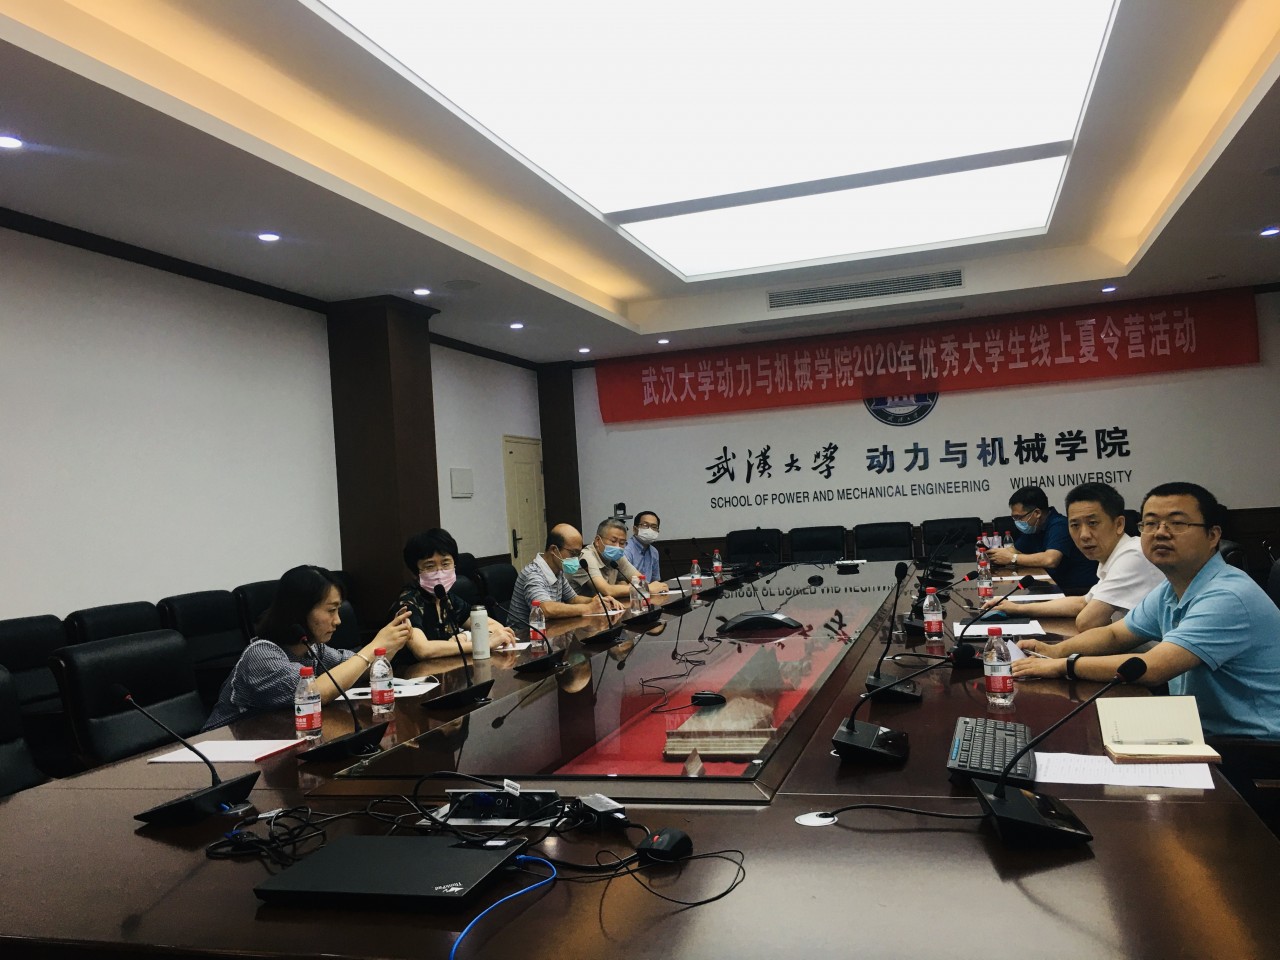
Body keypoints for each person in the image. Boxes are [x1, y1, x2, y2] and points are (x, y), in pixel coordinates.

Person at [1012, 482, 1280, 738]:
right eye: (1150, 523)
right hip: (1195, 724)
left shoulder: (1227, 595)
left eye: (1177, 523)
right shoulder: (1170, 589)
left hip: (1253, 743)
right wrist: (1053, 651)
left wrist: (1063, 665)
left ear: (1212, 536)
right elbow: (1115, 635)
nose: (1160, 532)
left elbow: (1152, 668)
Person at [204, 565, 411, 730]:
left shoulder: (312, 649)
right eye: (331, 610)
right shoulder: (261, 656)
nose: (338, 620)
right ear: (300, 611)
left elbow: (359, 670)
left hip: (275, 739)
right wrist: (374, 647)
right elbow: (315, 693)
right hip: (221, 751)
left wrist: (392, 643)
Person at [983, 482, 1163, 630]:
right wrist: (1016, 609)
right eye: (1075, 525)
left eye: (1093, 523)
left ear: (1119, 524)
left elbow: (1087, 621)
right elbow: (1082, 603)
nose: (1084, 535)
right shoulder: (1111, 557)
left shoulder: (1131, 555)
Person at [392, 528, 516, 658]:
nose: (439, 572)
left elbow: (495, 626)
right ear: (414, 573)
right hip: (415, 670)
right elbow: (423, 650)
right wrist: (483, 645)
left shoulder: (448, 599)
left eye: (445, 564)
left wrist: (465, 636)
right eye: (430, 566)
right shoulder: (408, 602)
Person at [986, 484, 1097, 593]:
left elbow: (1050, 560)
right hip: (1052, 584)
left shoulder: (1060, 525)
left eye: (1019, 517)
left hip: (1076, 589)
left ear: (1037, 513)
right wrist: (992, 554)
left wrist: (1012, 558)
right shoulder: (1033, 528)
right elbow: (1015, 550)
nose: (1017, 522)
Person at [510, 524, 624, 621]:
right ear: (554, 550)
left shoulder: (557, 571)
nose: (576, 559)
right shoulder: (533, 574)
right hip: (525, 636)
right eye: (573, 553)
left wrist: (598, 601)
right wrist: (589, 608)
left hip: (549, 630)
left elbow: (573, 599)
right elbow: (545, 609)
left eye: (578, 554)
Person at [573, 517, 669, 600]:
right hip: (579, 611)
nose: (617, 546)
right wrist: (646, 588)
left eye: (622, 543)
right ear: (598, 541)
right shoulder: (586, 557)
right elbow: (606, 590)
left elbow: (639, 579)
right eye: (613, 541)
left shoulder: (617, 555)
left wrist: (639, 586)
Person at [624, 510, 664, 585]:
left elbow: (655, 581)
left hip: (648, 590)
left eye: (654, 527)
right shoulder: (626, 550)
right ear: (635, 529)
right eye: (645, 525)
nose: (650, 529)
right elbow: (622, 582)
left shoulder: (654, 552)